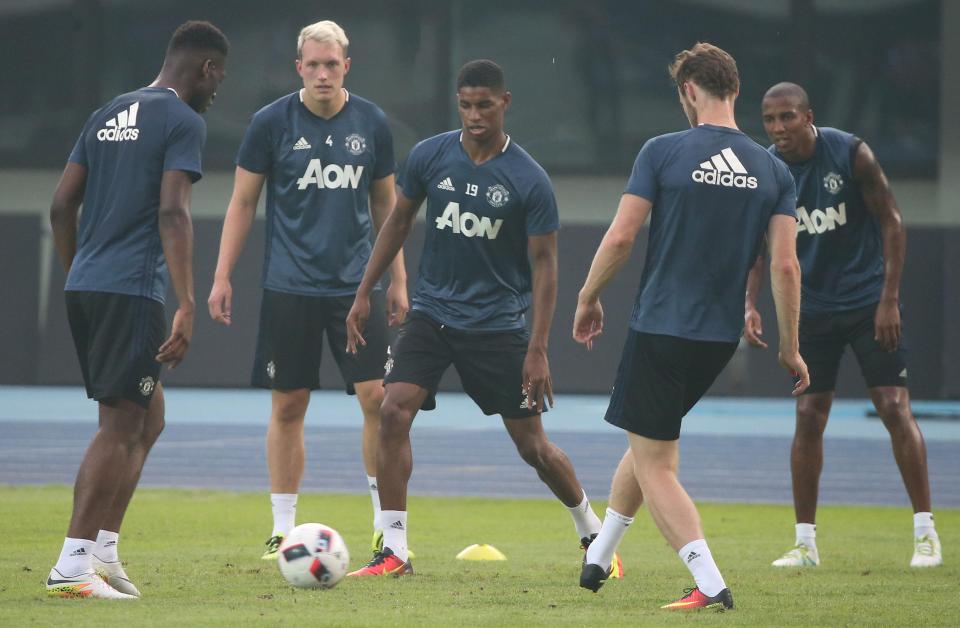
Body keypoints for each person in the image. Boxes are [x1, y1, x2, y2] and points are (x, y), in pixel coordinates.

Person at [344, 59, 613, 577]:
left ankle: (592, 532)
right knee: (394, 409)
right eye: (465, 104)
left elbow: (545, 267)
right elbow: (397, 222)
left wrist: (537, 348)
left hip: (496, 326)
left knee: (532, 447)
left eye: (484, 105)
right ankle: (394, 551)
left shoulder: (527, 178)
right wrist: (364, 293)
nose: (473, 115)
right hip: (432, 314)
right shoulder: (430, 155)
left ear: (504, 103)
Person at [572, 43, 808, 610]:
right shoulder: (773, 169)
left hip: (660, 326)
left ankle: (709, 582)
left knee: (657, 463)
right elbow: (784, 265)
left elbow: (623, 236)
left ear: (688, 92)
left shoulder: (663, 152)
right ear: (735, 92)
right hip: (716, 339)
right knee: (648, 432)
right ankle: (600, 553)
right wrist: (790, 349)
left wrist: (587, 297)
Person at [207, 20, 407, 560]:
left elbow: (389, 208)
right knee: (289, 403)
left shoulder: (372, 123)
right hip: (289, 287)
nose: (322, 73)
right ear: (298, 67)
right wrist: (223, 274)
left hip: (356, 290)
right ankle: (282, 528)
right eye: (313, 64)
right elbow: (243, 202)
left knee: (377, 400)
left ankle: (386, 531)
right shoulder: (269, 123)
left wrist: (398, 280)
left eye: (332, 64)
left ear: (348, 65)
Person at [46, 21, 229, 599]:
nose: (218, 87)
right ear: (206, 69)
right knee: (121, 424)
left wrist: (79, 271)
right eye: (219, 76)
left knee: (148, 419)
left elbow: (59, 207)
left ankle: (101, 551)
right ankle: (70, 568)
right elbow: (173, 212)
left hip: (88, 283)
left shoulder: (107, 113)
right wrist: (188, 303)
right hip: (130, 287)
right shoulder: (183, 120)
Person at [747, 81, 941, 568]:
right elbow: (757, 245)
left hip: (866, 301)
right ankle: (805, 545)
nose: (778, 128)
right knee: (809, 417)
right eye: (769, 120)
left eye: (787, 117)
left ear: (808, 115)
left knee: (894, 407)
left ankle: (925, 534)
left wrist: (889, 299)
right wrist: (749, 303)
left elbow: (892, 221)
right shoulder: (769, 169)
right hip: (810, 309)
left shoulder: (851, 153)